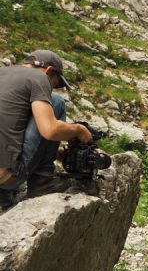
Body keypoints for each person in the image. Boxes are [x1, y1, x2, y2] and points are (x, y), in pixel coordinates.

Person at [0, 50, 92, 210]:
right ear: (48, 71)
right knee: (56, 101)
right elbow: (49, 130)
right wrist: (80, 130)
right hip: (5, 176)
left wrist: (54, 152)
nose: (51, 88)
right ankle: (42, 182)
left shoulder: (3, 73)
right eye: (54, 84)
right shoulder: (39, 77)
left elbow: (9, 126)